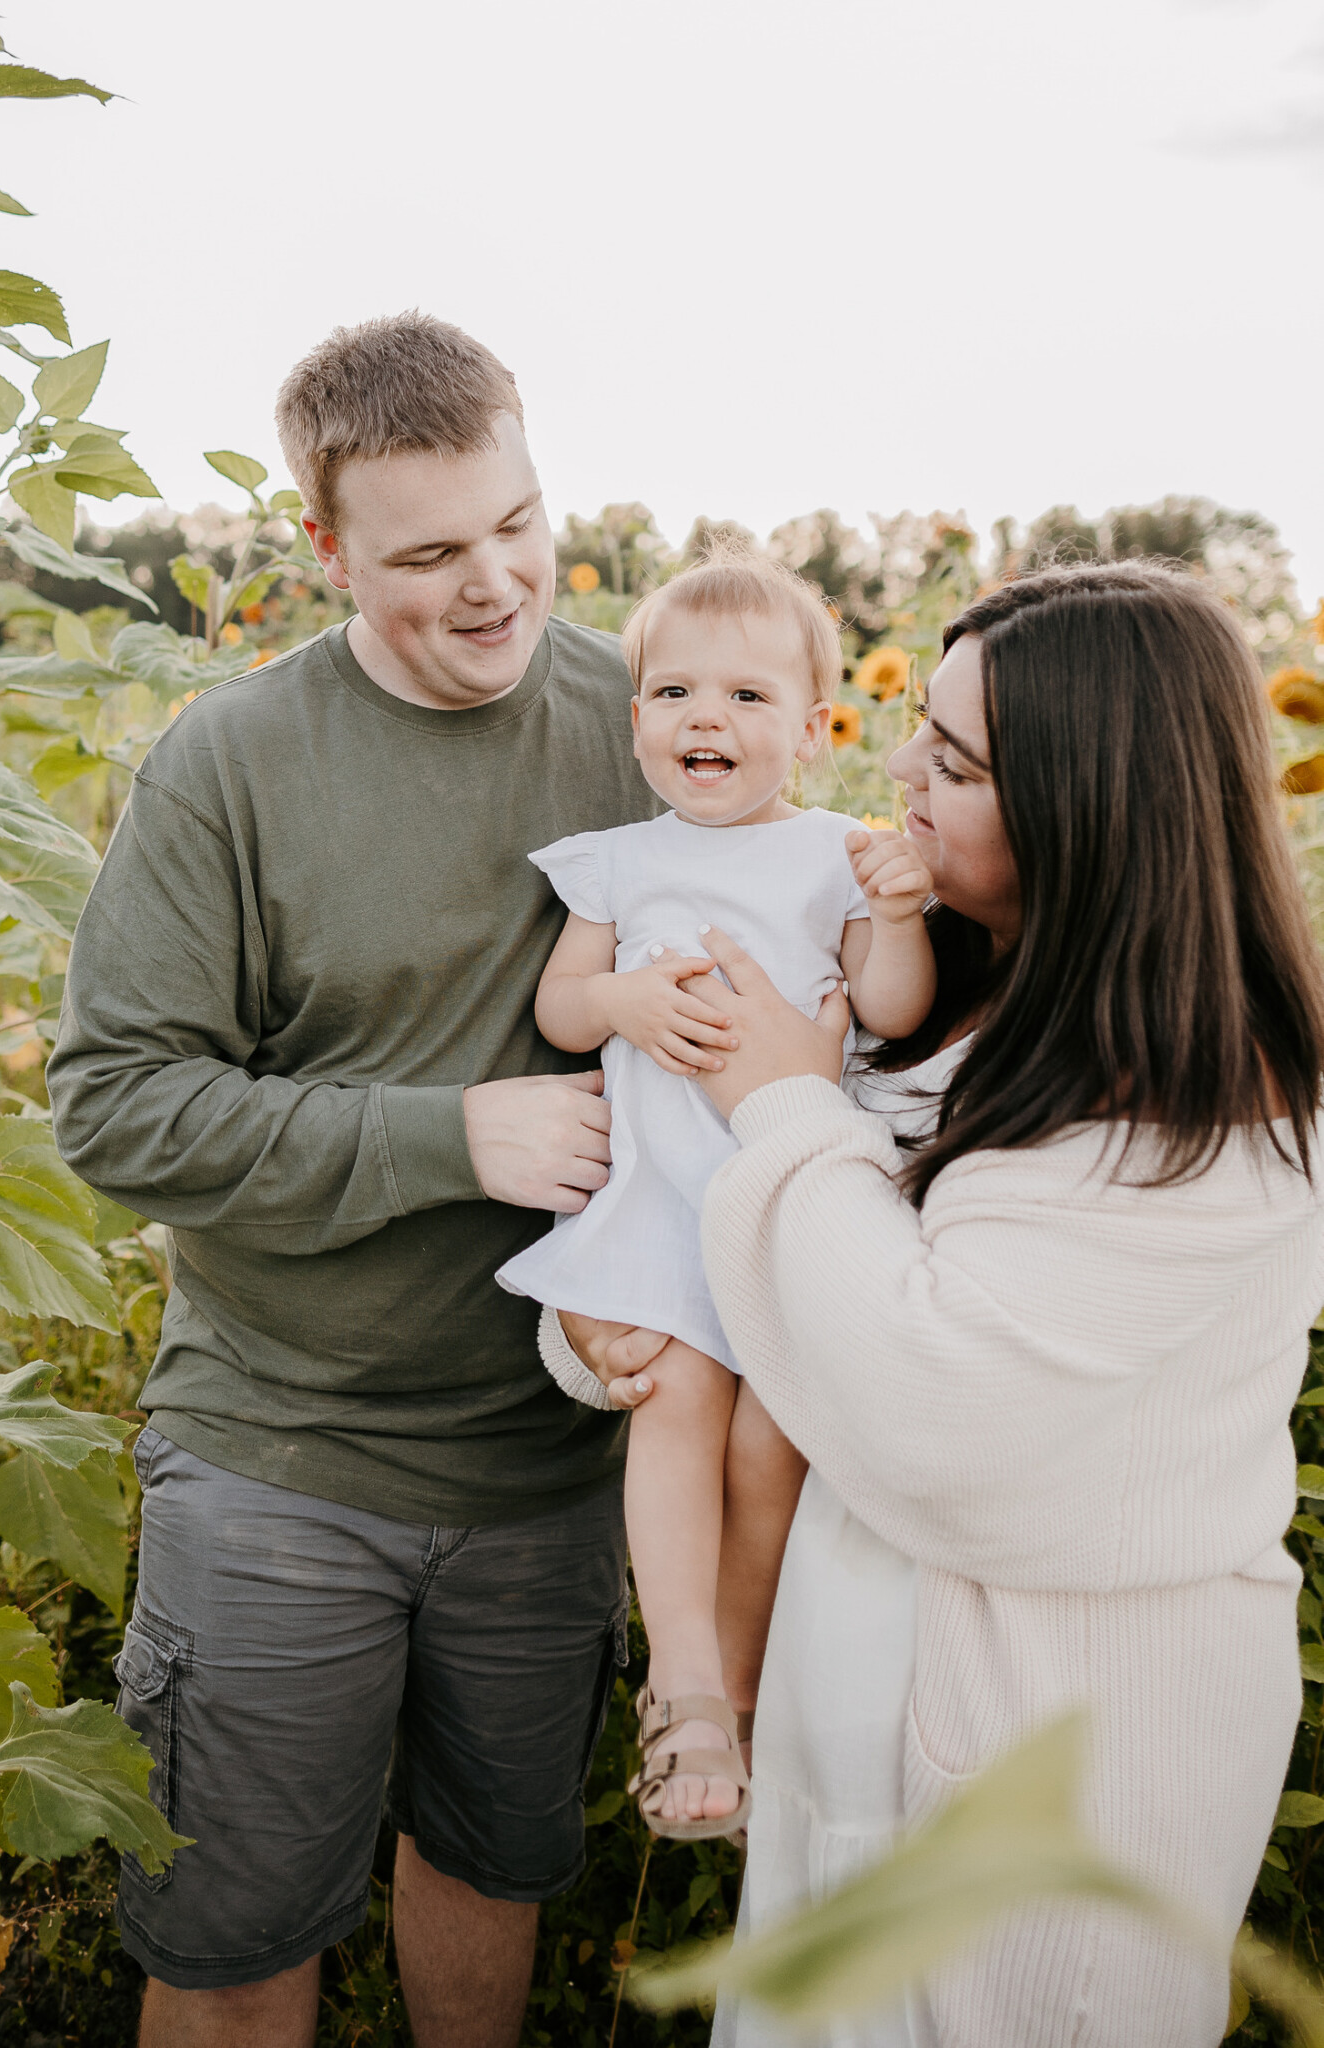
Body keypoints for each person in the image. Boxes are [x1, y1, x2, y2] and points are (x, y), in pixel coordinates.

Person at [557, 562, 1324, 2047]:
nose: (898, 767)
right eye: (919, 724)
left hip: (1054, 1738)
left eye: (956, 761)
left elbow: (922, 1393)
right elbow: (707, 1212)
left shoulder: (1196, 1122)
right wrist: (605, 1327)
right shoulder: (964, 977)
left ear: (1088, 811)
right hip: (864, 1699)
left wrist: (779, 1100)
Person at [46, 309, 662, 2048]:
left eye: (520, 525)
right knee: (238, 1942)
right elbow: (112, 1109)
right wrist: (448, 1132)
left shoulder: (645, 721)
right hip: (283, 1457)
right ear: (323, 547)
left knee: (490, 1877)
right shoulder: (230, 770)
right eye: (430, 555)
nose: (496, 586)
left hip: (550, 1468)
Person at [497, 549, 935, 1839]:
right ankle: (682, 1676)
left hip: (790, 1197)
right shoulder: (618, 863)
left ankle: (735, 1688)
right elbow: (561, 1008)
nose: (706, 719)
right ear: (635, 718)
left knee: (775, 1434)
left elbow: (893, 1014)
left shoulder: (837, 855)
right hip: (662, 1200)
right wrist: (619, 999)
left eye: (748, 698)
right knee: (676, 1406)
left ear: (812, 729)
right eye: (675, 691)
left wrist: (898, 915)